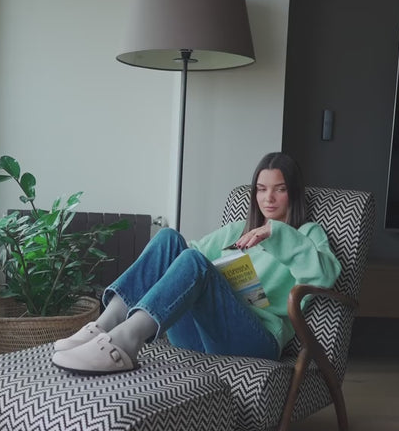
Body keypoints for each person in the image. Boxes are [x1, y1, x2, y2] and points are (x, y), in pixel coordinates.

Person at [52, 152, 341, 375]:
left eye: (280, 189)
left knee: (194, 261)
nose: (268, 198)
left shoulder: (308, 233)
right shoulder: (237, 230)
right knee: (168, 239)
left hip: (256, 340)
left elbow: (325, 275)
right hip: (199, 334)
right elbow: (186, 255)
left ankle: (126, 342)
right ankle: (104, 325)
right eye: (261, 189)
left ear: (294, 192)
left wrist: (274, 232)